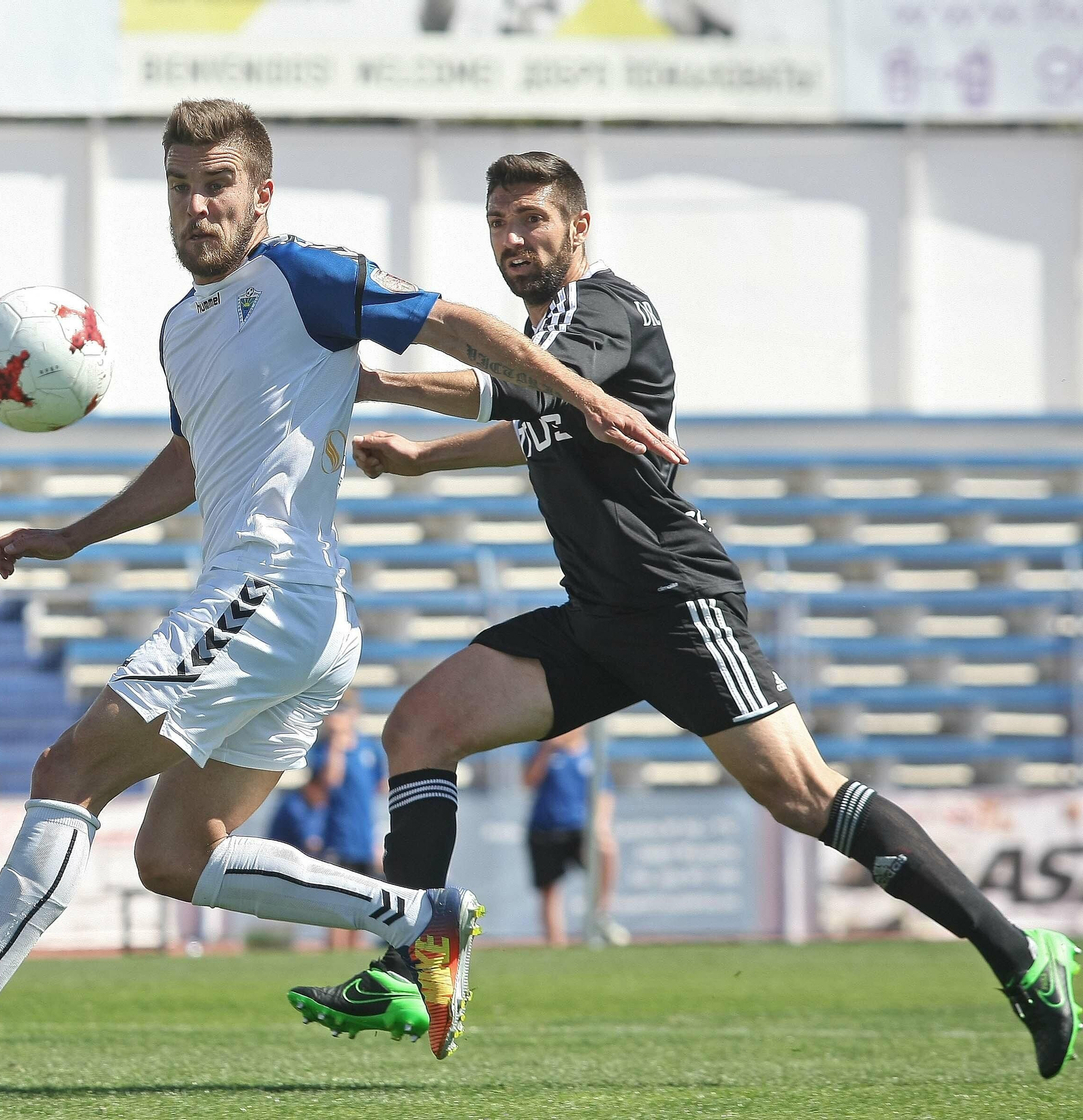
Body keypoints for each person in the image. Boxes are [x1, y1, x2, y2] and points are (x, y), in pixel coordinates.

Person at [0, 104, 685, 1077]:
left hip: (270, 592)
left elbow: (457, 323)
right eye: (181, 186)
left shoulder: (302, 274)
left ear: (260, 192)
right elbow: (188, 463)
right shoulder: (180, 329)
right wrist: (74, 533)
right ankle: (418, 915)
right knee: (175, 856)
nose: (198, 205)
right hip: (299, 618)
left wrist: (587, 394)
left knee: (69, 771)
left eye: (217, 183)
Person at [285, 150, 1078, 1080]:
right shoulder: (549, 331)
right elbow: (537, 417)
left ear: (579, 226)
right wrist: (424, 455)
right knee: (419, 727)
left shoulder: (603, 310)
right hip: (597, 618)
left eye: (532, 219)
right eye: (498, 220)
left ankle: (1027, 958)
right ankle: (416, 964)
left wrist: (396, 382)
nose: (511, 238)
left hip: (673, 601)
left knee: (803, 797)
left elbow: (533, 387)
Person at [522, 729, 625, 948]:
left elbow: (605, 792)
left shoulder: (591, 755)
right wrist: (546, 751)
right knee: (550, 890)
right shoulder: (545, 752)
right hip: (545, 828)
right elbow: (529, 781)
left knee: (606, 849)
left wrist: (601, 824)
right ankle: (556, 944)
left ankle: (601, 914)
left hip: (580, 829)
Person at [304, 691, 388, 949]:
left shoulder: (368, 747)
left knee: (362, 904)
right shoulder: (323, 749)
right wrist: (337, 746)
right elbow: (330, 781)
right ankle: (336, 953)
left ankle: (353, 955)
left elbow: (380, 788)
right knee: (337, 905)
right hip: (336, 838)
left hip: (363, 838)